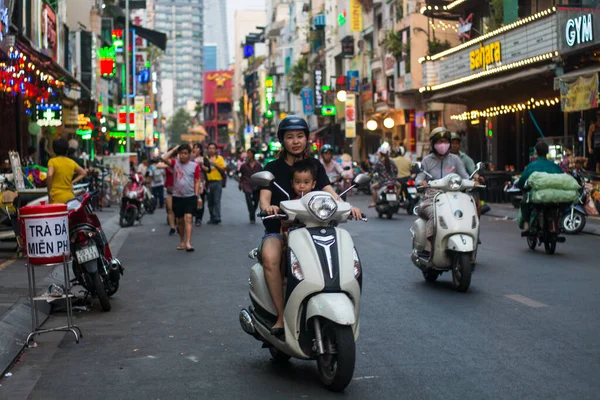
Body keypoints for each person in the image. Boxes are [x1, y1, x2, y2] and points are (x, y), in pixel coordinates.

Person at [259, 116, 362, 337]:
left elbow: (330, 193)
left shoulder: (314, 166)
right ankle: (280, 315)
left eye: (300, 136)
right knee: (270, 257)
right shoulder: (272, 167)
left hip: (314, 227)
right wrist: (268, 207)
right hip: (280, 229)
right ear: (282, 140)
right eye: (289, 137)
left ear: (307, 139)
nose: (295, 141)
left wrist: (347, 206)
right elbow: (264, 197)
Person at [415, 127, 470, 242]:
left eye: (445, 142)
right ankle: (432, 243)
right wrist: (421, 182)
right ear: (433, 144)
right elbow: (419, 177)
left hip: (454, 198)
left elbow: (465, 176)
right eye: (440, 142)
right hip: (431, 199)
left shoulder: (455, 159)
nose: (443, 145)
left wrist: (473, 182)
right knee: (435, 216)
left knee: (468, 214)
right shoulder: (427, 160)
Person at [516, 141, 564, 232]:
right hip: (553, 195)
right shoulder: (555, 166)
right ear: (547, 152)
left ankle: (526, 224)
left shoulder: (531, 166)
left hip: (536, 195)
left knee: (524, 202)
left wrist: (520, 186)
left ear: (536, 152)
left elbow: (522, 180)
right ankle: (558, 222)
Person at [161, 145, 201, 252]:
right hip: (177, 197)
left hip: (190, 196)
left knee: (188, 218)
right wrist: (174, 149)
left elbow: (197, 180)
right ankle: (182, 240)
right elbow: (164, 158)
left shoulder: (194, 165)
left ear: (189, 154)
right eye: (181, 153)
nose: (183, 155)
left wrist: (196, 194)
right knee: (180, 221)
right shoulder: (174, 163)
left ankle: (188, 243)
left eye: (185, 153)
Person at [47, 138, 87, 204]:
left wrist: (49, 191)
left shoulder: (52, 161)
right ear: (67, 150)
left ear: (54, 150)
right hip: (70, 196)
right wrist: (73, 182)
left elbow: (49, 175)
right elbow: (84, 172)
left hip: (56, 196)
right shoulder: (71, 162)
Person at [369, 142, 401, 207]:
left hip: (383, 182)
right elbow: (396, 171)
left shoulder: (379, 163)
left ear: (380, 154)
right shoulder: (392, 161)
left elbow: (373, 171)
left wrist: (370, 174)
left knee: (372, 187)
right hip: (393, 181)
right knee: (399, 186)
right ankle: (397, 198)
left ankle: (374, 202)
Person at [239, 148, 263, 224]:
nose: (248, 155)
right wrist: (240, 184)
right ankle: (252, 217)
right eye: (247, 153)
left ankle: (252, 212)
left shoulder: (258, 165)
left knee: (256, 201)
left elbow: (261, 175)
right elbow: (241, 175)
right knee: (249, 201)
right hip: (246, 184)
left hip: (256, 185)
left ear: (253, 154)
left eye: (249, 153)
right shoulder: (243, 165)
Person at [158, 148, 177, 235]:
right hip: (169, 187)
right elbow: (158, 165)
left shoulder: (180, 162)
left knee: (178, 209)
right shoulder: (168, 163)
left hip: (179, 188)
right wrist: (168, 165)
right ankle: (172, 227)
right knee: (170, 209)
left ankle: (180, 225)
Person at [206, 143, 226, 224]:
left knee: (217, 200)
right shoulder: (205, 158)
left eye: (213, 148)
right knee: (210, 201)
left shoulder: (220, 158)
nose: (211, 150)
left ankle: (217, 217)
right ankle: (212, 217)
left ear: (215, 150)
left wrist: (215, 164)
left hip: (217, 181)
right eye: (209, 148)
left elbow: (223, 169)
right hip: (208, 182)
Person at [192, 143, 211, 226]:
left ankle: (198, 218)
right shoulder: (190, 159)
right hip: (191, 181)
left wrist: (201, 165)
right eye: (194, 147)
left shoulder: (204, 159)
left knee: (201, 200)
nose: (195, 149)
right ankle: (193, 214)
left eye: (197, 147)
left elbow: (208, 170)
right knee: (192, 200)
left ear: (200, 149)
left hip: (201, 182)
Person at [587, 109, 600, 173]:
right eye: (598, 115)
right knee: (598, 164)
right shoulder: (593, 126)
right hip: (597, 147)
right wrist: (589, 147)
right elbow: (589, 137)